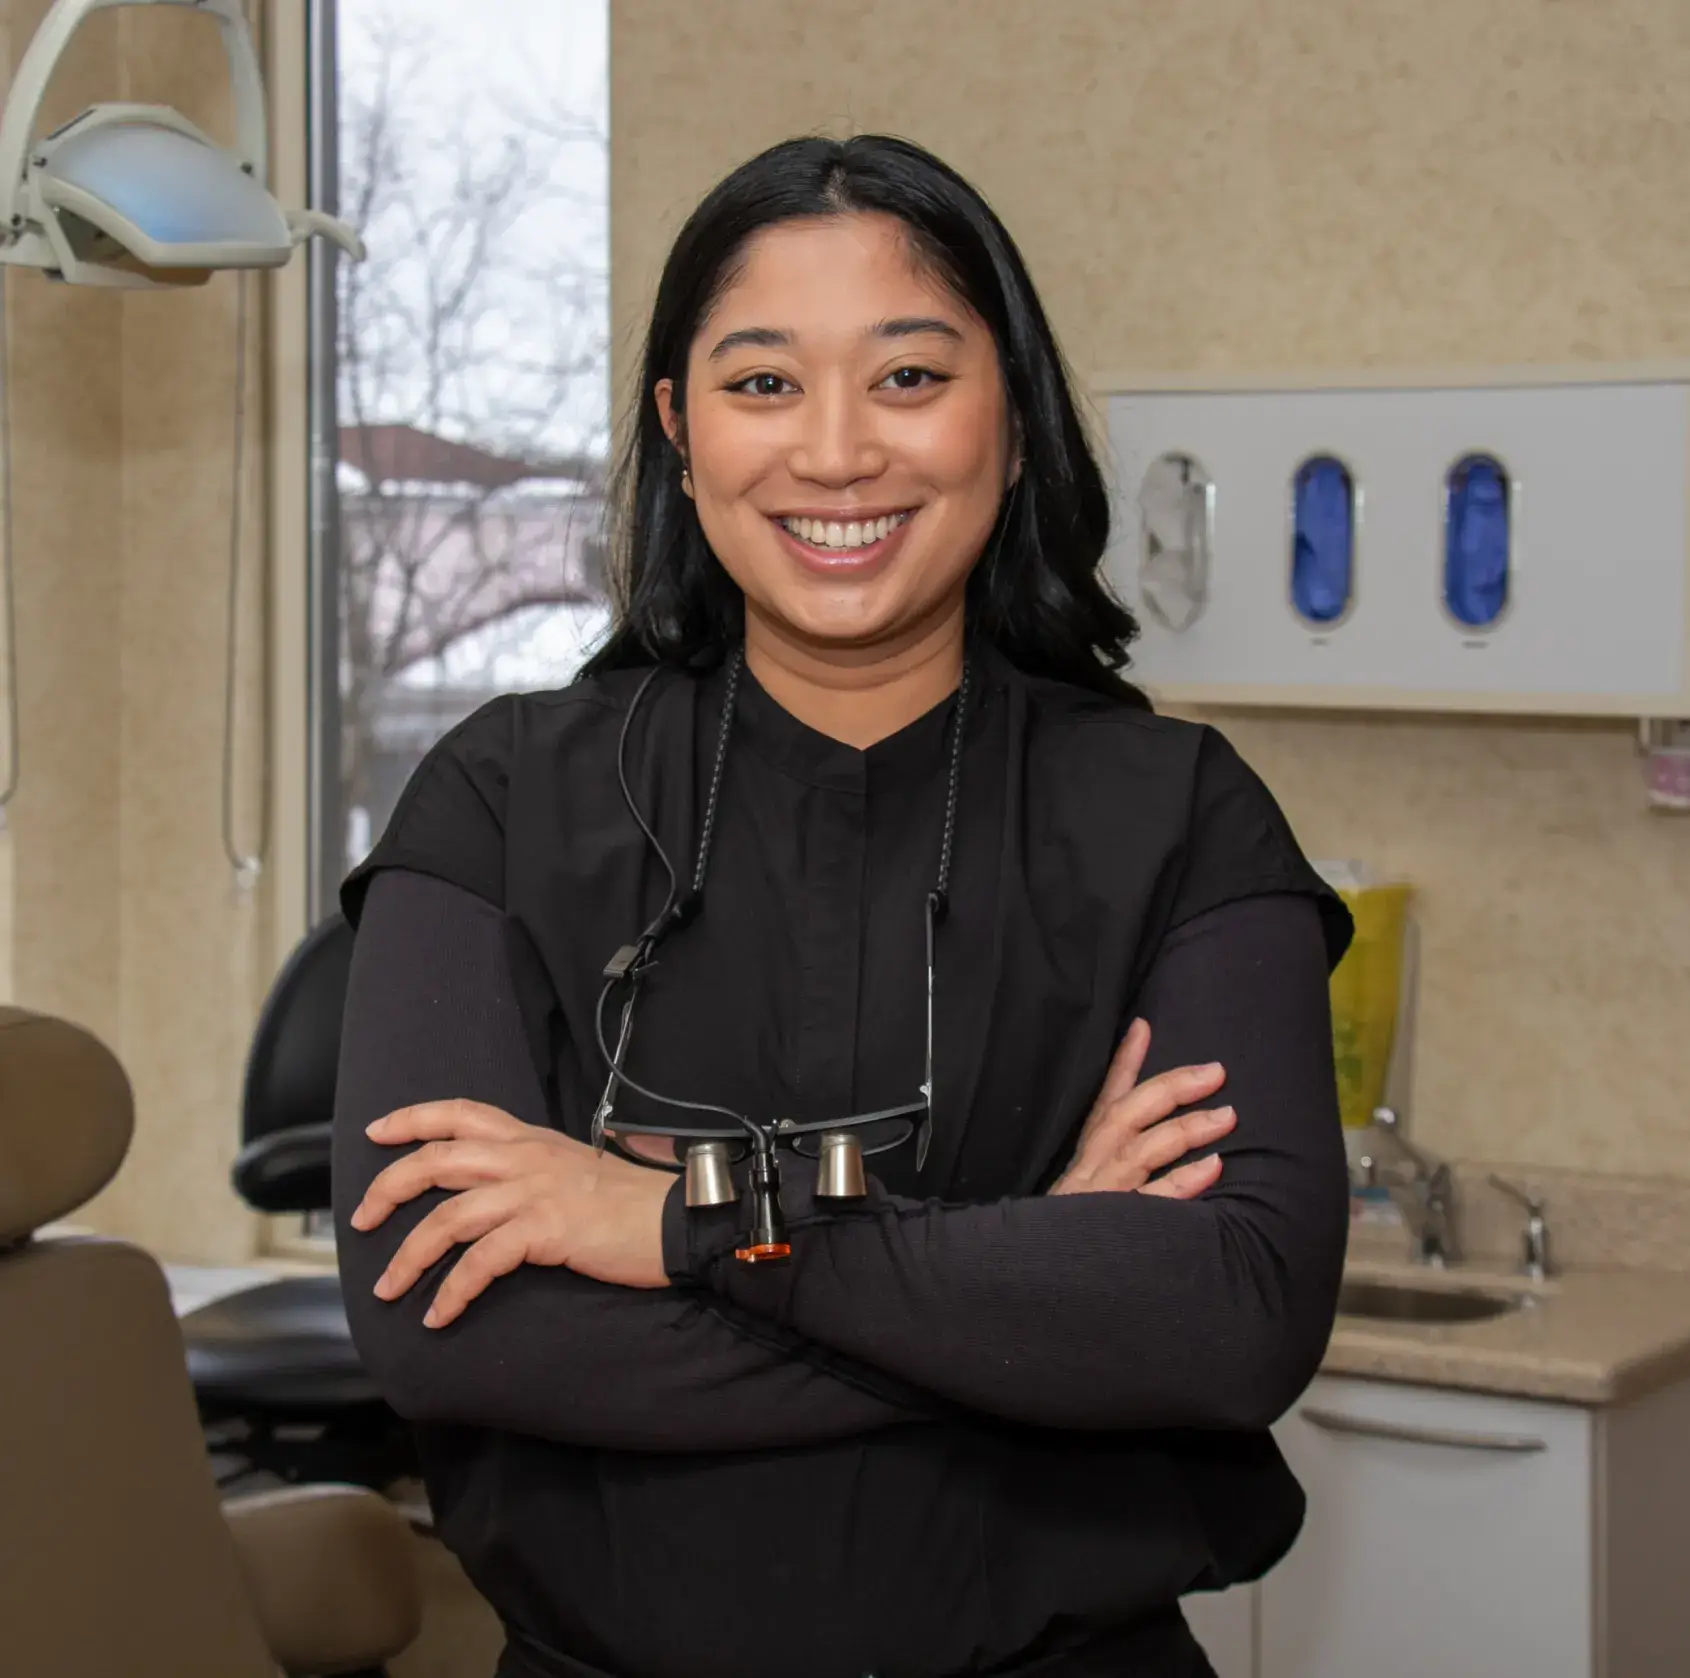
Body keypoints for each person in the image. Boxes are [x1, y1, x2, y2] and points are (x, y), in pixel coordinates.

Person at [331, 133, 1353, 1678]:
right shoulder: (497, 800)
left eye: (907, 378)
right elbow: (447, 1327)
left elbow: (1232, 1322)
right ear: (680, 431)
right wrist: (1027, 1282)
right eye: (761, 382)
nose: (833, 451)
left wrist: (674, 1225)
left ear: (1012, 419)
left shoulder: (1180, 816)